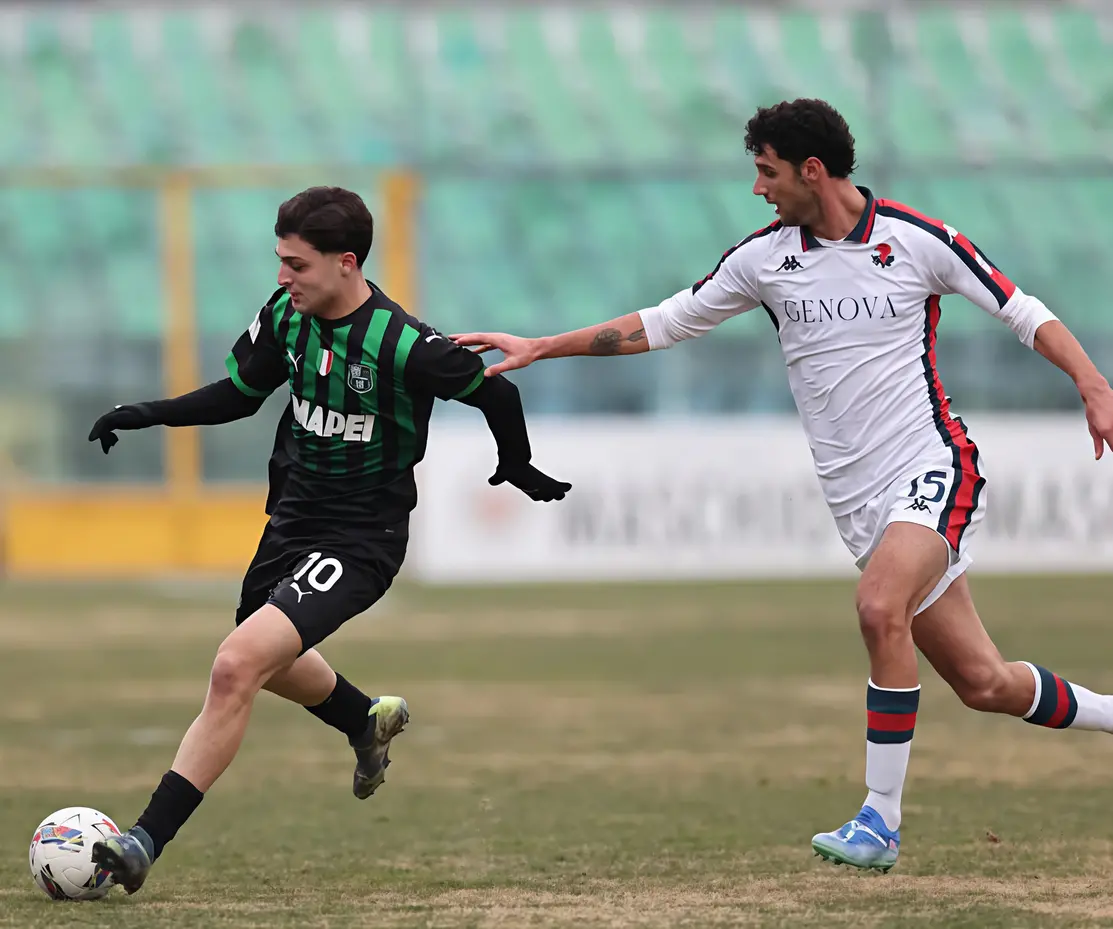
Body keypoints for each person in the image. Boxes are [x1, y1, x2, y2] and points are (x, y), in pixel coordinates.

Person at [450, 99, 1113, 872]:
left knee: (876, 607)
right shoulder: (762, 260)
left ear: (810, 170)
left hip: (932, 464)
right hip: (857, 504)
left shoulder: (916, 240)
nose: (757, 189)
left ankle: (880, 820)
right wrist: (541, 346)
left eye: (765, 172)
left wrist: (1091, 383)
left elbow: (1021, 310)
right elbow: (662, 322)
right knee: (983, 682)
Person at [85, 186, 571, 894]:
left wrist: (515, 462)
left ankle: (142, 840)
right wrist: (146, 413)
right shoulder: (287, 314)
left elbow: (495, 391)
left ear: (347, 263)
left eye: (296, 264)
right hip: (291, 520)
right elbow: (240, 393)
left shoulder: (404, 344)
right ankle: (361, 719)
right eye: (280, 261)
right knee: (270, 661)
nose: (283, 277)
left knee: (235, 665)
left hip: (361, 534)